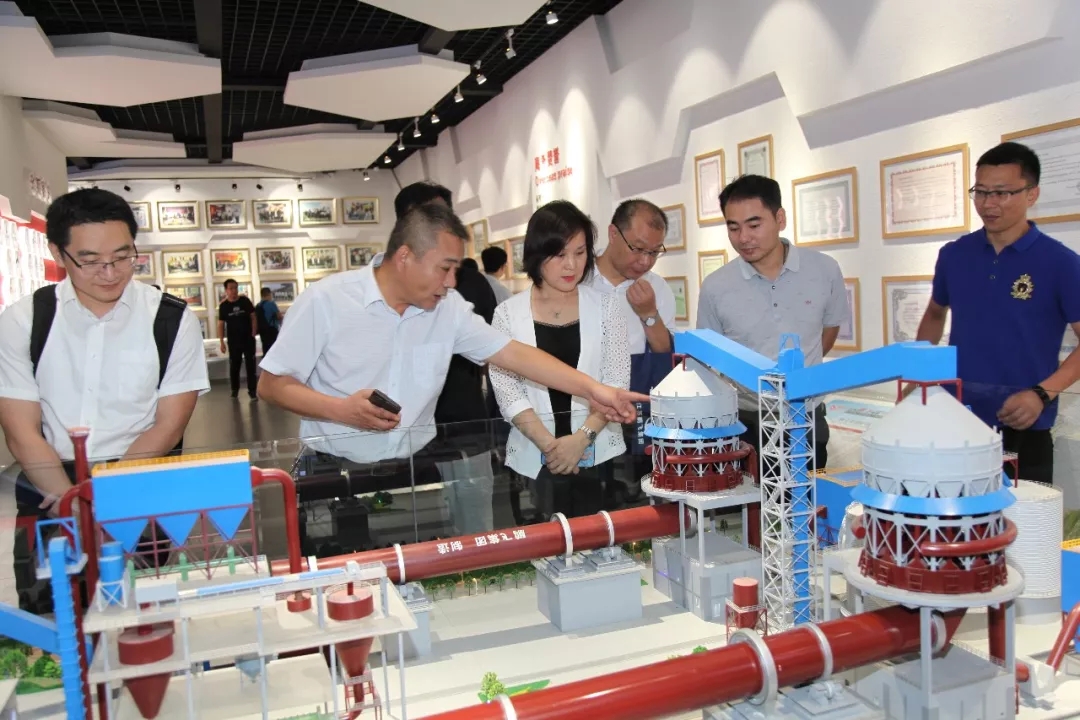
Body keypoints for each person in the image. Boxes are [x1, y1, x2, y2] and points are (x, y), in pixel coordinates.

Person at [257, 202, 644, 469]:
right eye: (444, 268)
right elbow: (271, 385)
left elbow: (514, 355)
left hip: (419, 470)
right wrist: (339, 410)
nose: (452, 281)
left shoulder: (448, 309)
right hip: (333, 470)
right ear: (405, 257)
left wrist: (596, 391)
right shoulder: (326, 301)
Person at [0, 187, 209, 610]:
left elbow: (169, 425)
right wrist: (73, 505)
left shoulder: (170, 319)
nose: (110, 273)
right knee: (54, 618)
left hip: (138, 478)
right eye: (91, 260)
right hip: (48, 484)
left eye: (122, 256)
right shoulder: (24, 320)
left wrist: (106, 501)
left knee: (142, 617)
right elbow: (21, 430)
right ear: (58, 253)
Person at [916, 141, 1080, 485]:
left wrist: (1042, 393)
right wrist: (920, 378)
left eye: (1002, 193)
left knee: (1022, 516)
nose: (988, 204)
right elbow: (934, 313)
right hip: (957, 418)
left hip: (1024, 421)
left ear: (1031, 194)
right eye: (981, 192)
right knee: (949, 513)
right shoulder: (954, 255)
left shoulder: (1061, 263)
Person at [490, 201, 630, 519]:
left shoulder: (607, 307)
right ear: (537, 254)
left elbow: (616, 381)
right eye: (559, 254)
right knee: (545, 540)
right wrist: (551, 447)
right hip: (535, 453)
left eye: (580, 253)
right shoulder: (507, 314)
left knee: (600, 539)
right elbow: (507, 390)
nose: (571, 265)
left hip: (598, 452)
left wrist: (581, 440)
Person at [697, 174, 846, 470]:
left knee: (809, 496)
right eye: (733, 227)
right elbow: (709, 356)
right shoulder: (715, 287)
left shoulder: (825, 270)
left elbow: (828, 332)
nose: (743, 238)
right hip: (744, 422)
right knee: (748, 497)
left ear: (780, 219)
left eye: (754, 225)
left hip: (807, 416)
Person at [394, 181, 499, 535]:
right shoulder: (385, 289)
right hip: (404, 434)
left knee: (476, 532)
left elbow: (498, 353)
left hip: (465, 429)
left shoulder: (470, 284)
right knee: (414, 529)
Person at [585, 199, 677, 354]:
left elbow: (666, 353)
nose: (645, 261)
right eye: (638, 249)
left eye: (654, 252)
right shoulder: (579, 279)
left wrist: (649, 314)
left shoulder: (657, 287)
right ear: (613, 234)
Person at [217, 278, 258, 399]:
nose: (234, 291)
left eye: (235, 288)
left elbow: (253, 317)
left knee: (251, 365)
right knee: (235, 365)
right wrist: (221, 342)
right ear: (226, 290)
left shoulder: (245, 301)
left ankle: (252, 391)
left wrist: (253, 332)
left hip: (248, 339)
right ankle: (234, 390)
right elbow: (220, 324)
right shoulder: (224, 306)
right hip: (233, 341)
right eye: (231, 288)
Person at [255, 287, 283, 355]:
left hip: (262, 330)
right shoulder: (271, 304)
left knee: (265, 346)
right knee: (273, 347)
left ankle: (266, 359)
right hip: (272, 329)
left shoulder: (258, 305)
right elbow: (279, 316)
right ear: (269, 294)